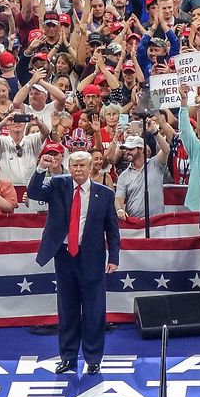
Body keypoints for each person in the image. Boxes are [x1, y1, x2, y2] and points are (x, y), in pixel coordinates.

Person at [27, 150, 120, 375]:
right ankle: (68, 357)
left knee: (94, 310)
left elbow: (112, 229)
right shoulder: (57, 185)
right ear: (69, 167)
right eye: (74, 166)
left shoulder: (105, 194)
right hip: (64, 256)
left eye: (82, 166)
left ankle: (93, 358)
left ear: (90, 168)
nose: (78, 170)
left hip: (93, 258)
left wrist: (114, 257)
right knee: (67, 310)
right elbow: (33, 192)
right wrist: (41, 168)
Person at [115, 126, 169, 220]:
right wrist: (119, 209)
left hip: (157, 223)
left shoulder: (155, 164)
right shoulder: (123, 176)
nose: (127, 152)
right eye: (126, 149)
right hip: (135, 224)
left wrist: (154, 132)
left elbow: (166, 150)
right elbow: (119, 198)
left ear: (141, 149)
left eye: (131, 149)